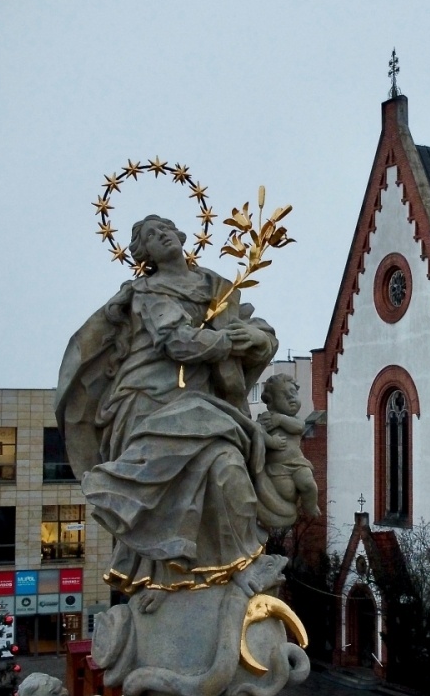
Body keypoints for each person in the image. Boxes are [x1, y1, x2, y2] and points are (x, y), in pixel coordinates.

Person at [56, 215, 280, 596]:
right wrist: (229, 341)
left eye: (164, 229)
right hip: (148, 402)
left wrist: (258, 337)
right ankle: (166, 577)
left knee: (228, 467)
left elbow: (252, 326)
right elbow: (177, 341)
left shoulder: (214, 285)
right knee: (189, 476)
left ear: (180, 235)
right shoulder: (148, 292)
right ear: (145, 254)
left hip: (199, 404)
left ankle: (238, 565)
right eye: (150, 236)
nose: (161, 236)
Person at [256, 374, 321, 527]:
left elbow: (299, 427)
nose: (291, 398)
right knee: (286, 492)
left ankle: (310, 505)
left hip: (298, 464)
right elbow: (256, 432)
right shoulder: (266, 417)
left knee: (308, 485)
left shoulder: (295, 419)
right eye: (284, 395)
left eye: (293, 393)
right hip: (276, 468)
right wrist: (271, 441)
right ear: (271, 401)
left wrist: (280, 420)